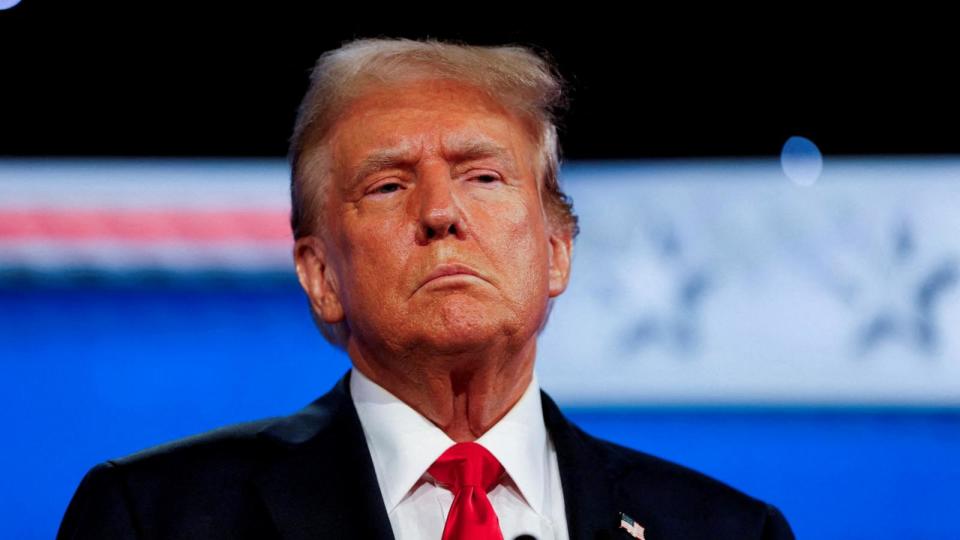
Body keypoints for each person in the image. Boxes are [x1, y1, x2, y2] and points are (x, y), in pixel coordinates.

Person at [58, 38, 794, 540]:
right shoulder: (154, 520)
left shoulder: (725, 530)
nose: (441, 213)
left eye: (483, 176)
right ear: (320, 277)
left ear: (555, 251)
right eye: (387, 185)